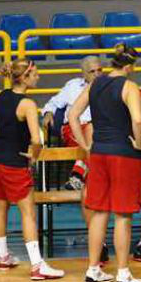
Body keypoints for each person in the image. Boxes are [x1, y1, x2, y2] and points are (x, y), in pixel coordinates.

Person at [69, 43, 141, 282]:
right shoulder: (129, 86)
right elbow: (137, 119)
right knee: (123, 214)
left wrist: (85, 145)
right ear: (130, 65)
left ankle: (93, 270)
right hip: (124, 153)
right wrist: (140, 143)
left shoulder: (95, 83)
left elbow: (72, 115)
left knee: (99, 212)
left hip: (98, 152)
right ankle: (123, 274)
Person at [0, 59, 64, 279]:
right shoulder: (28, 104)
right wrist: (35, 155)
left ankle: (4, 258)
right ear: (24, 77)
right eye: (36, 73)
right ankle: (37, 266)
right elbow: (36, 139)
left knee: (1, 206)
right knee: (28, 212)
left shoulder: (1, 95)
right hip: (14, 162)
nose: (38, 76)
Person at [41, 56, 103, 190]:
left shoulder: (108, 86)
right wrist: (48, 113)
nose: (97, 74)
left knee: (94, 136)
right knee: (94, 143)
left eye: (99, 70)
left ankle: (78, 176)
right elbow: (52, 103)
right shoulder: (73, 86)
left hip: (98, 130)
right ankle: (91, 182)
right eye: (92, 72)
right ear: (84, 73)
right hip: (73, 128)